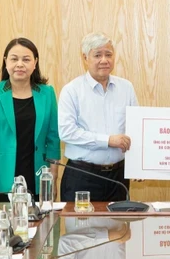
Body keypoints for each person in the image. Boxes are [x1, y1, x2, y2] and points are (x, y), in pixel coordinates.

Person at [0, 38, 61, 202]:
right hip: (0, 178)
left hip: (37, 178)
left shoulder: (47, 93)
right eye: (14, 59)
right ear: (6, 61)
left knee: (39, 226)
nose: (20, 64)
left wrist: (52, 181)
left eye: (26, 59)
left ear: (35, 63)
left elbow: (53, 140)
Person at [57, 32, 138, 202]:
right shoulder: (72, 90)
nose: (104, 60)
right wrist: (108, 140)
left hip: (118, 177)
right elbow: (67, 132)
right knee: (81, 227)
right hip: (82, 176)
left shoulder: (126, 88)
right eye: (97, 55)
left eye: (108, 54)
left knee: (118, 227)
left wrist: (139, 165)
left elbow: (136, 129)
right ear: (85, 58)